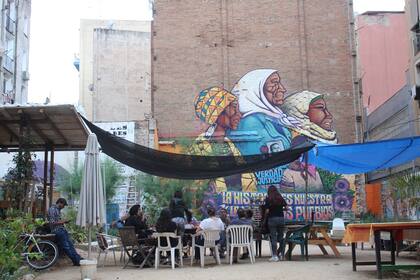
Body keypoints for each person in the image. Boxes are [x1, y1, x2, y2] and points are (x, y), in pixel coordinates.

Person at [191, 86, 257, 192]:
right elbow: (196, 182)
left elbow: (248, 177)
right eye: (234, 108)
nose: (239, 115)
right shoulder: (201, 145)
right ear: (217, 112)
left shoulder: (230, 144)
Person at [47, 198, 82, 266]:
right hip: (57, 231)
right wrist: (63, 221)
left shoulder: (57, 210)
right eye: (63, 205)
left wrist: (63, 221)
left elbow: (57, 220)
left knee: (71, 245)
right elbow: (52, 222)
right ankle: (76, 261)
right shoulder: (52, 209)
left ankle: (78, 259)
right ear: (60, 203)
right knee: (66, 246)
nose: (63, 207)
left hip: (62, 230)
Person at [264, 185, 288, 262]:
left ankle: (275, 256)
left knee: (273, 238)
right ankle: (282, 255)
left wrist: (266, 215)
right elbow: (287, 208)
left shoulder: (268, 199)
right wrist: (281, 209)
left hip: (272, 219)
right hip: (281, 219)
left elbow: (267, 211)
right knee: (281, 237)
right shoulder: (280, 198)